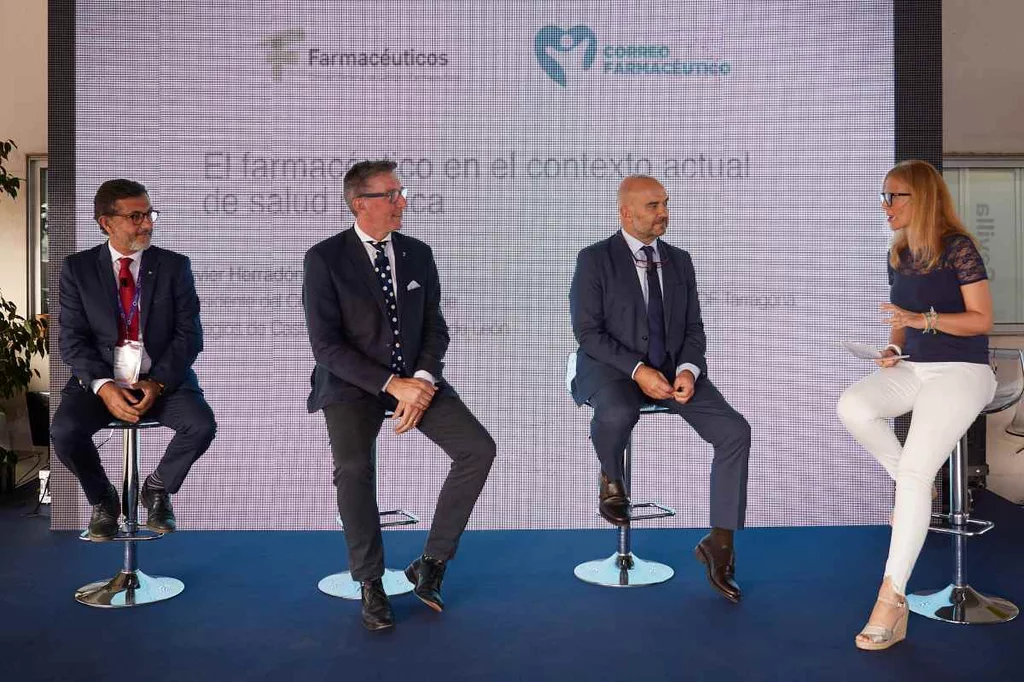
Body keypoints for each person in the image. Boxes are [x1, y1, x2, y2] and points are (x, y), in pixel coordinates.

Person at [303, 159, 496, 631]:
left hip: (418, 381)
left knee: (478, 449)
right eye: (391, 195)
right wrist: (393, 385)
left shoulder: (417, 253)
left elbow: (434, 327)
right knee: (353, 469)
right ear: (359, 203)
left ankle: (431, 563)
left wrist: (424, 381)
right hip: (351, 385)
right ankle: (369, 581)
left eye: (400, 193)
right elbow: (326, 346)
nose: (402, 202)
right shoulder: (324, 258)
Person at [569, 175, 751, 602]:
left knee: (735, 432)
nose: (663, 213)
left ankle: (719, 545)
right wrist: (637, 371)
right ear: (625, 212)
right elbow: (587, 333)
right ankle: (612, 479)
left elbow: (693, 328)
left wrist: (688, 370)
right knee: (618, 413)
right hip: (613, 369)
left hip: (672, 374)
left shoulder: (680, 260)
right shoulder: (594, 259)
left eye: (665, 204)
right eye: (653, 206)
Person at [837, 159, 996, 651]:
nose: (885, 206)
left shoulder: (959, 249)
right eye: (883, 196)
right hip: (914, 368)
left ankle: (891, 599)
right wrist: (892, 347)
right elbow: (901, 319)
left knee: (910, 478)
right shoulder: (899, 251)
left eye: (895, 196)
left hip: (964, 373)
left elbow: (980, 321)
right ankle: (916, 486)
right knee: (853, 405)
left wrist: (924, 319)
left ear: (922, 198)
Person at [51, 179, 216, 539]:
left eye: (149, 214)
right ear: (106, 222)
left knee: (201, 425)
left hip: (162, 382)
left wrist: (157, 383)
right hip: (100, 383)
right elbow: (72, 339)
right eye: (136, 216)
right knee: (64, 432)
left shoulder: (174, 266)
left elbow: (190, 336)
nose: (148, 224)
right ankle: (104, 498)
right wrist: (104, 386)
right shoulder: (77, 269)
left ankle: (157, 488)